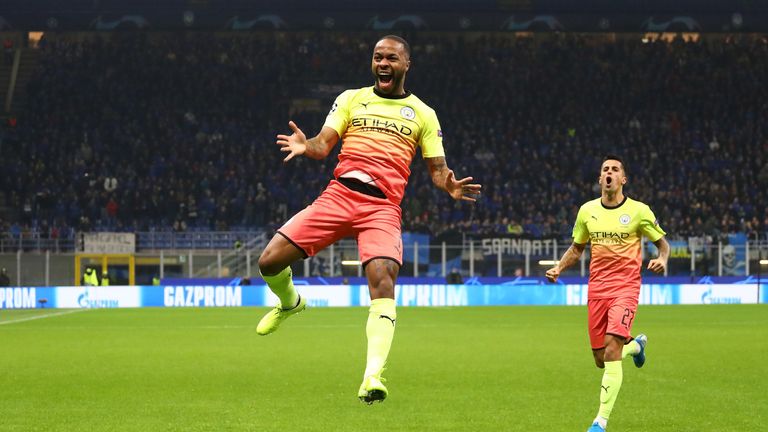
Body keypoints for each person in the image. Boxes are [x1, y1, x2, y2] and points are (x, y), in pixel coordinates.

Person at [256, 35, 481, 404]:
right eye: (378, 57)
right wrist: (304, 145)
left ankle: (372, 376)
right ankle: (291, 303)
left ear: (406, 64)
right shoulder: (351, 98)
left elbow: (438, 169)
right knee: (268, 261)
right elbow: (322, 145)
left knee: (382, 279)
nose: (383, 63)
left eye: (391, 58)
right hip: (338, 195)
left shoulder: (423, 113)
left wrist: (449, 186)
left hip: (382, 208)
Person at [545, 155, 669, 432]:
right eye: (605, 170)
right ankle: (636, 346)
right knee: (601, 359)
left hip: (626, 287)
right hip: (597, 289)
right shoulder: (587, 211)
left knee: (613, 348)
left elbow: (662, 243)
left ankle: (599, 422)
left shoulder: (639, 211)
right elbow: (577, 248)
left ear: (623, 179)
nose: (610, 173)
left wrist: (662, 258)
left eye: (615, 169)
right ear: (600, 179)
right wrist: (559, 268)